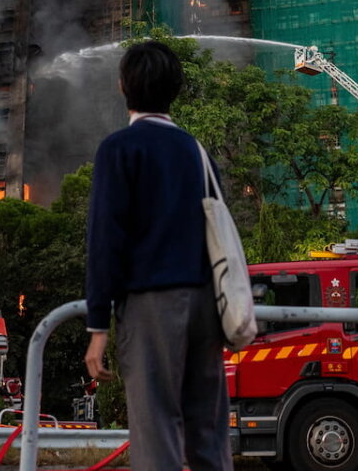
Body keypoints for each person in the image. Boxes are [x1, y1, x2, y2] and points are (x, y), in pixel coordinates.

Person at [85, 41, 232, 471]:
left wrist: (98, 326)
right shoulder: (197, 152)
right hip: (207, 306)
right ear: (176, 89)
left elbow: (104, 241)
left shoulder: (118, 149)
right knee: (208, 433)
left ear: (122, 86)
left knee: (157, 433)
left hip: (152, 305)